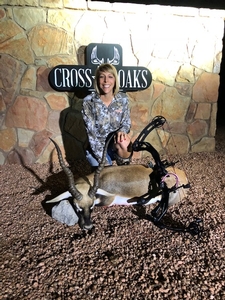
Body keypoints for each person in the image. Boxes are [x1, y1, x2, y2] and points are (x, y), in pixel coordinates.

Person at [82, 63, 133, 166]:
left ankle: (124, 167)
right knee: (104, 177)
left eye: (110, 76)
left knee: (124, 140)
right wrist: (105, 163)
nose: (106, 81)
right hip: (96, 148)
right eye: (102, 77)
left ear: (115, 80)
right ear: (97, 80)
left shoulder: (123, 99)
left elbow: (126, 123)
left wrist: (122, 131)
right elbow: (92, 137)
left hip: (115, 145)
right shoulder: (88, 102)